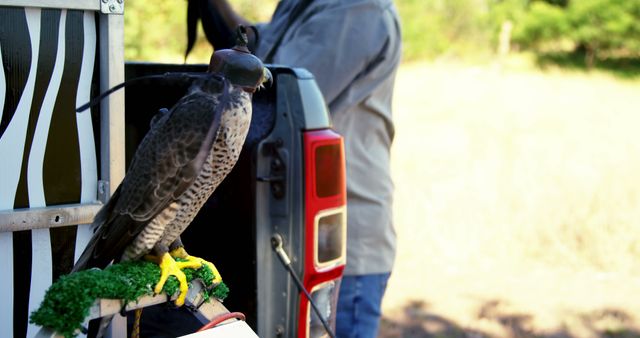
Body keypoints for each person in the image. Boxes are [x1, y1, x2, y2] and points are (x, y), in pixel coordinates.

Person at [198, 0, 401, 336]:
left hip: (341, 249)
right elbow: (257, 45)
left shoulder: (359, 9)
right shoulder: (304, 4)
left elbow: (273, 91)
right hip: (289, 227)